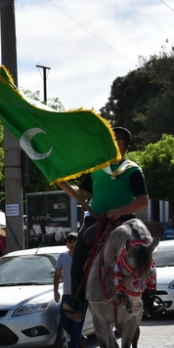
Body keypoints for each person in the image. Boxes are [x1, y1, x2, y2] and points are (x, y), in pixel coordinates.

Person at [60, 126, 150, 322]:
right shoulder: (96, 170)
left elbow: (143, 201)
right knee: (79, 254)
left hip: (125, 221)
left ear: (121, 144)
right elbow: (82, 195)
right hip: (96, 220)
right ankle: (77, 301)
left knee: (144, 251)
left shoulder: (133, 170)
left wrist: (119, 210)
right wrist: (64, 184)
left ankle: (150, 299)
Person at [53, 232, 88, 348]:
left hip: (81, 295)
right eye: (70, 242)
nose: (72, 245)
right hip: (67, 294)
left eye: (75, 242)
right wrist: (55, 291)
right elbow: (57, 275)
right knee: (64, 321)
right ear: (66, 244)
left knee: (76, 324)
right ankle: (81, 338)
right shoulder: (62, 256)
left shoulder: (83, 256)